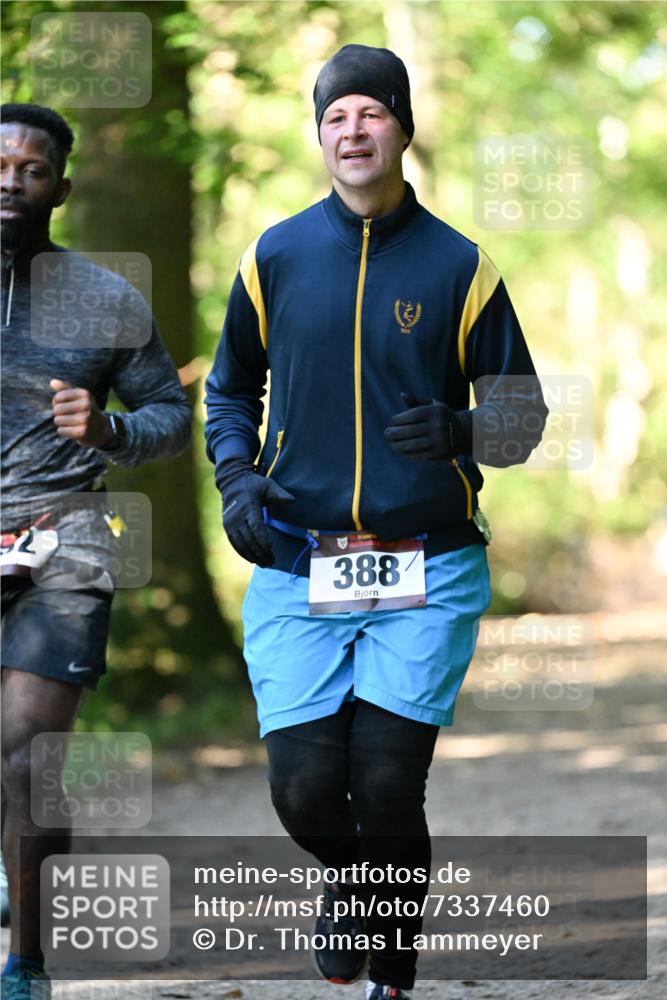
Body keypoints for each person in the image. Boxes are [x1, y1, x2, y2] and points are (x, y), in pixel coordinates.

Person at [205, 45, 547, 999]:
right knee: (307, 792)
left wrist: (463, 427)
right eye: (334, 117)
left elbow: (522, 417)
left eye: (369, 113)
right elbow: (229, 390)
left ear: (401, 126)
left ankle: (389, 983)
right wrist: (236, 480)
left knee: (389, 784)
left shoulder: (458, 265)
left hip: (426, 564)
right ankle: (353, 880)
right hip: (296, 558)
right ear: (319, 136)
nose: (351, 132)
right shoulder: (273, 256)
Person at [0, 103, 192, 1000]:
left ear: (60, 189)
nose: (10, 181)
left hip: (63, 530)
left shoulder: (107, 296)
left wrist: (109, 427)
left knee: (28, 745)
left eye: (31, 170)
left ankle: (26, 963)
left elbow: (170, 415)